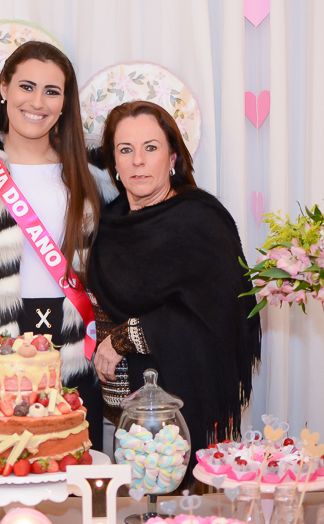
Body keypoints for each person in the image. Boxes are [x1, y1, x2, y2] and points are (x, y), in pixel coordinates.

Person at [0, 41, 118, 451]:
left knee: (72, 457)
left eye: (52, 91)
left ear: (65, 102)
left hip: (76, 339)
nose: (37, 102)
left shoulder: (93, 167)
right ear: (3, 88)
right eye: (26, 87)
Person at [87, 101, 261, 464]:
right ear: (114, 163)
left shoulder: (200, 220)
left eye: (150, 148)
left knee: (184, 499)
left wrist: (125, 337)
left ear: (172, 158)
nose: (138, 161)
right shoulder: (107, 223)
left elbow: (222, 312)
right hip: (123, 418)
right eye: (125, 150)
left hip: (188, 409)